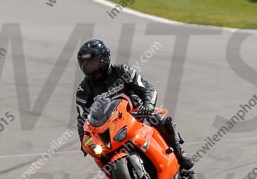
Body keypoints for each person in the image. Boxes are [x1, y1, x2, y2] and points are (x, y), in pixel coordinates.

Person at [75, 39, 194, 170]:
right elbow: (82, 119)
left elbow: (148, 89)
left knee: (161, 119)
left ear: (104, 58)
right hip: (110, 127)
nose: (90, 68)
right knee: (99, 154)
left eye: (93, 63)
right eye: (86, 65)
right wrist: (83, 140)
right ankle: (120, 176)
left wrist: (148, 106)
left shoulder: (123, 71)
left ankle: (178, 153)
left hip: (137, 114)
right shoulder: (83, 89)